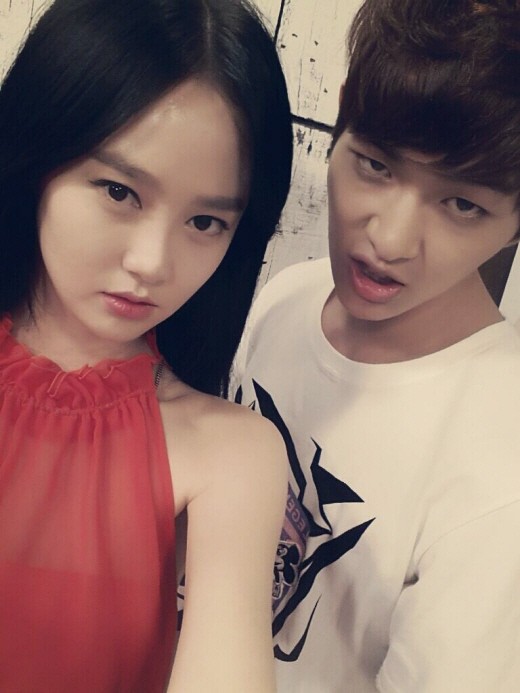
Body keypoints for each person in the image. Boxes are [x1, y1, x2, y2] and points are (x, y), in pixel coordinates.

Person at [0, 0, 293, 690]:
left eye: (205, 222)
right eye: (119, 191)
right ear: (37, 156)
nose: (152, 262)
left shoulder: (231, 454)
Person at [235, 0, 520, 690]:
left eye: (462, 204)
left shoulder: (501, 462)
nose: (389, 240)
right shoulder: (291, 295)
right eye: (376, 165)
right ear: (340, 118)